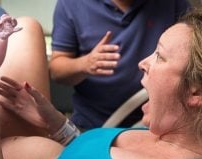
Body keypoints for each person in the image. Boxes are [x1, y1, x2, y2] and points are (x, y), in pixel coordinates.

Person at [0, 10, 202, 159]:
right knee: (26, 28)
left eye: (159, 56)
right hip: (47, 145)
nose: (142, 62)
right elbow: (89, 153)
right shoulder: (160, 134)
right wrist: (56, 125)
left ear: (197, 92)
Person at [49, 0, 191, 129]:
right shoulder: (70, 5)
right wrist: (85, 64)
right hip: (92, 123)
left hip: (159, 120)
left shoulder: (173, 4)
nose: (142, 64)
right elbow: (57, 70)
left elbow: (194, 55)